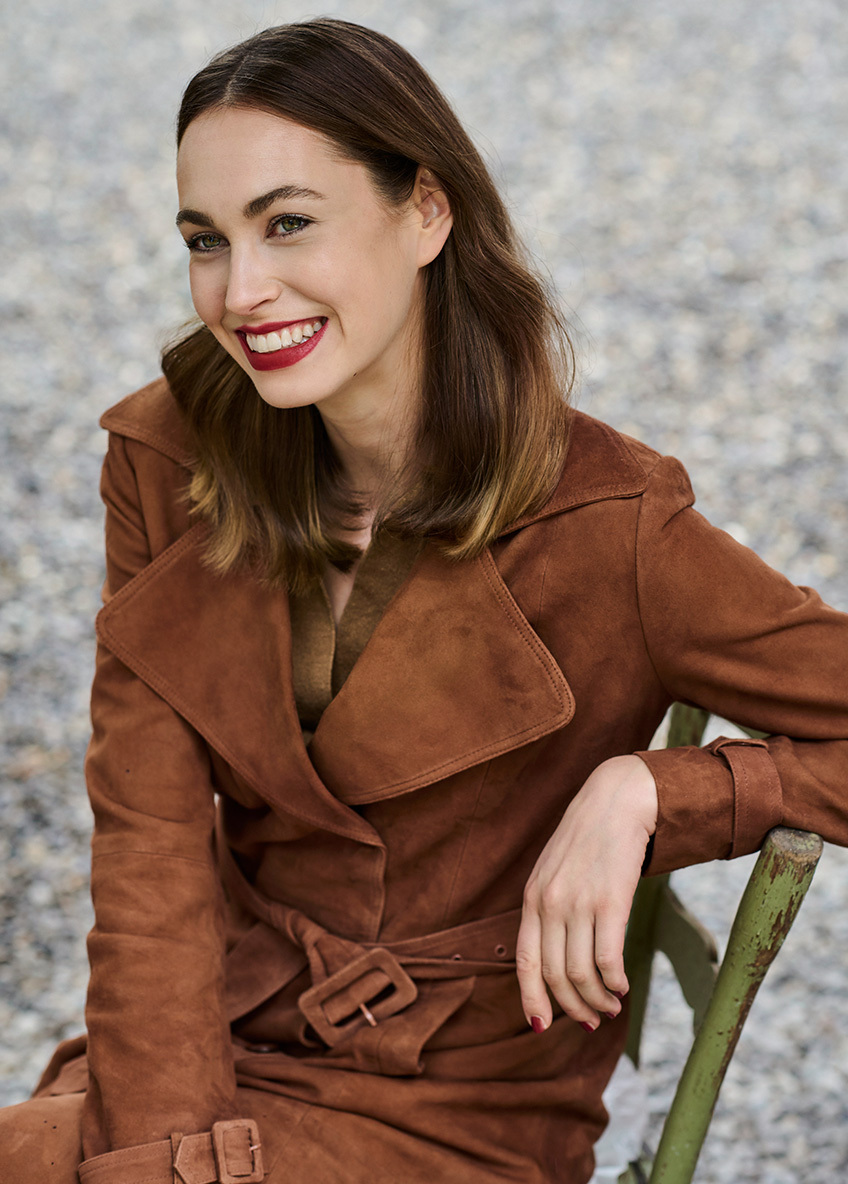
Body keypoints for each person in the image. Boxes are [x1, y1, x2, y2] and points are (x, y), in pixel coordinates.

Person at [3, 16, 848, 1184]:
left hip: (455, 1115)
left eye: (288, 223)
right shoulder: (169, 455)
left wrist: (658, 789)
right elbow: (149, 850)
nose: (241, 290)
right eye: (206, 239)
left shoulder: (611, 525)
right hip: (212, 1038)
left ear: (426, 214)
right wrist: (162, 1154)